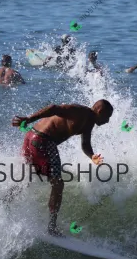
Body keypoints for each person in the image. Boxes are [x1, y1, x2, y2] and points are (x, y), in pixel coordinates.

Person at [11, 100, 113, 236]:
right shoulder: (80, 111)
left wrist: (92, 156)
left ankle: (7, 202)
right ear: (100, 111)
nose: (107, 121)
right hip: (43, 140)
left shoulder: (89, 122)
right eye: (107, 117)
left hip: (31, 137)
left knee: (29, 176)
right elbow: (54, 108)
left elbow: (85, 145)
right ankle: (52, 228)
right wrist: (29, 119)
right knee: (58, 184)